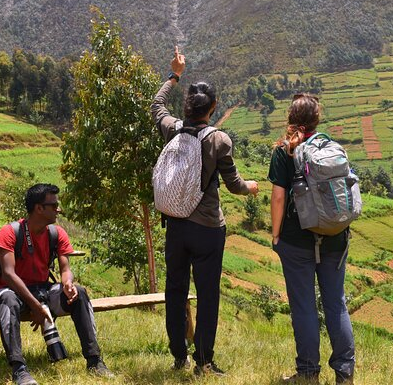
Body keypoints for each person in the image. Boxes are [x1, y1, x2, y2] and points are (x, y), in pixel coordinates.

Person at [151, 46, 259, 376]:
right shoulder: (219, 141)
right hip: (208, 229)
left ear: (187, 107)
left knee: (175, 289)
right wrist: (251, 187)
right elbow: (233, 184)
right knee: (208, 294)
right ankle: (204, 362)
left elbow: (156, 106)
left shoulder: (172, 128)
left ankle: (178, 356)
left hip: (176, 226)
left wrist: (175, 73)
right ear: (212, 108)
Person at [269, 93, 355, 384]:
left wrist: (276, 234)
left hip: (297, 241)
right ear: (317, 119)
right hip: (334, 237)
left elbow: (279, 197)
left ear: (290, 119)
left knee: (304, 305)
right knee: (336, 303)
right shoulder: (332, 147)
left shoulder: (284, 151)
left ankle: (308, 372)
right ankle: (344, 372)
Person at [0, 183, 113, 385]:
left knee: (80, 294)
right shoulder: (10, 232)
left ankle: (94, 361)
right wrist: (35, 306)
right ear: (39, 208)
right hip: (14, 290)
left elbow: (65, 268)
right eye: (54, 205)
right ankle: (19, 369)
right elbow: (9, 274)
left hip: (43, 289)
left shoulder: (56, 233)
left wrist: (68, 284)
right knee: (8, 300)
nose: (58, 209)